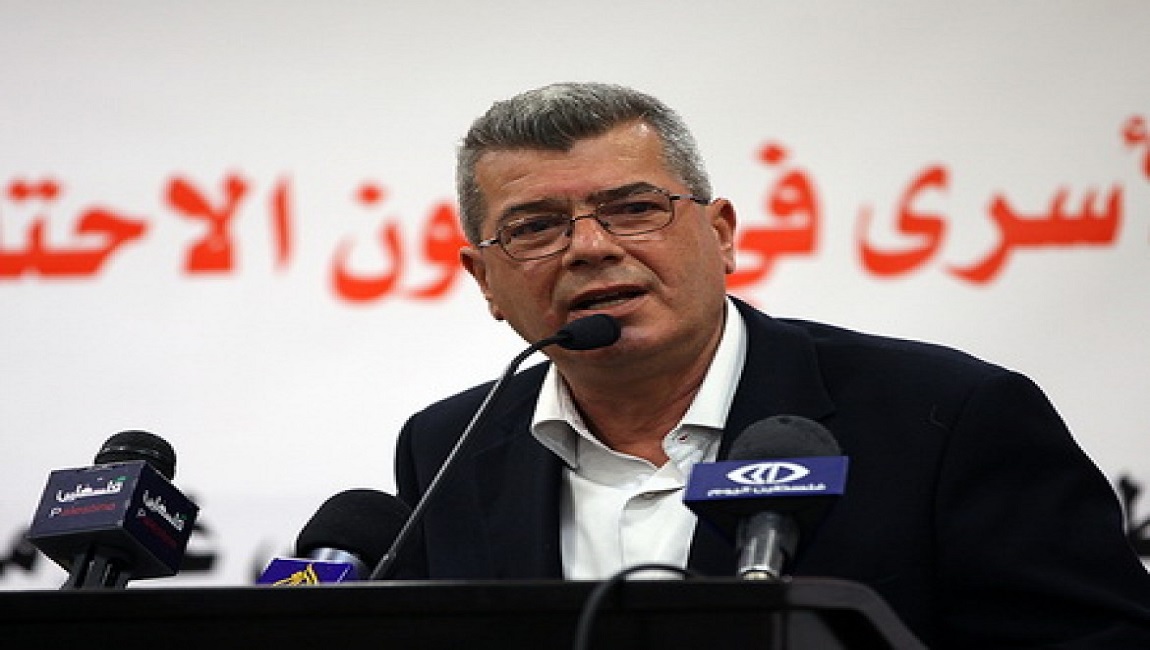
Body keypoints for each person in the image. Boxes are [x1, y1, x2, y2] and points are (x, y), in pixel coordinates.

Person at [392, 82, 1150, 647]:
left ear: (721, 235)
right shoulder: (449, 447)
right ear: (484, 280)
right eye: (535, 227)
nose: (591, 246)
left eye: (634, 209)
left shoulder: (949, 417)